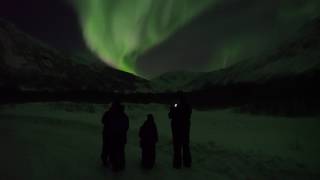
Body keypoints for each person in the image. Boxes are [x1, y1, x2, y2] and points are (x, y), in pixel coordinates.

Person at [101, 98, 129, 171]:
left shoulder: (109, 113)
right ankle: (120, 165)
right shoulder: (123, 115)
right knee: (120, 151)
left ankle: (112, 164)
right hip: (120, 137)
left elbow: (103, 121)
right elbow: (126, 126)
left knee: (109, 150)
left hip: (109, 136)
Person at [168, 91, 192, 169]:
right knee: (185, 145)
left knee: (177, 146)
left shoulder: (176, 105)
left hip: (177, 128)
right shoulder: (187, 105)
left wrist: (173, 108)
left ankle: (177, 164)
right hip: (185, 128)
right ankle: (187, 163)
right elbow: (188, 115)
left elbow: (170, 115)